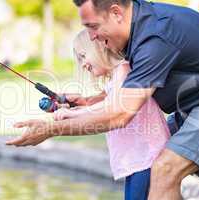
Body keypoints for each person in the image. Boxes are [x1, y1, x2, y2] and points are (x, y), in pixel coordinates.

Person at [6, 1, 199, 199]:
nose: (92, 37)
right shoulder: (138, 34)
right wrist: (87, 102)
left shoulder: (154, 37)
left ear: (116, 13)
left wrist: (51, 129)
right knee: (156, 163)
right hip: (198, 103)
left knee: (164, 168)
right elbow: (126, 94)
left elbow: (120, 113)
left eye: (93, 26)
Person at [53, 29, 170, 199]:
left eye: (84, 55)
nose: (83, 63)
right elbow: (104, 104)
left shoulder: (123, 69)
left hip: (148, 157)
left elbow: (109, 107)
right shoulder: (115, 78)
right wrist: (79, 107)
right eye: (80, 59)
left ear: (99, 47)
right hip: (138, 159)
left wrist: (72, 114)